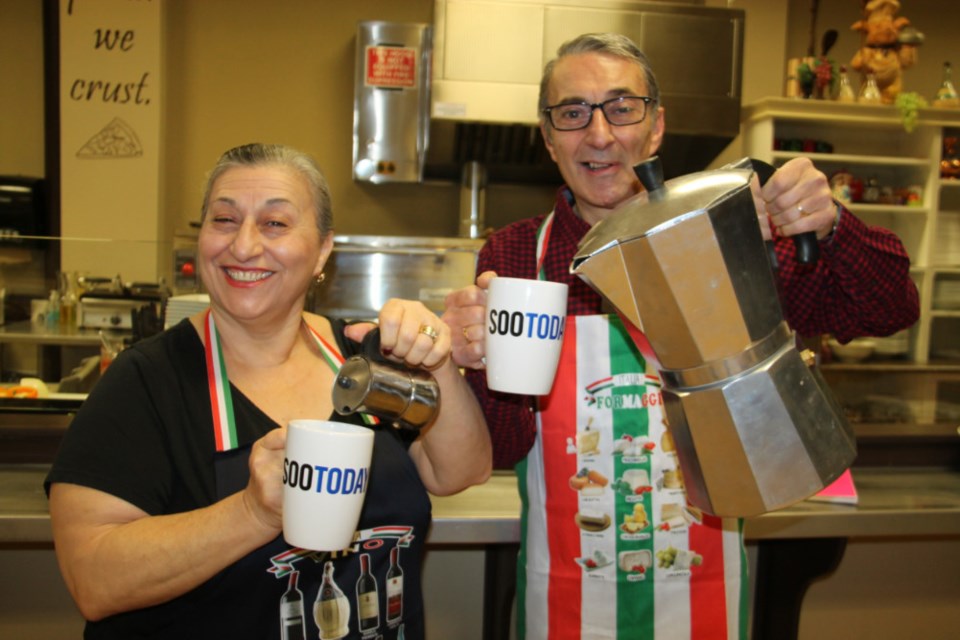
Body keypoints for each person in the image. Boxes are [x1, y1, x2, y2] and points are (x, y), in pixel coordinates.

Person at [442, 33, 919, 640]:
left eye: (622, 107)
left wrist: (831, 225)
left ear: (657, 126)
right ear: (547, 136)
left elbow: (888, 308)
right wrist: (474, 365)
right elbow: (503, 446)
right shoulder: (514, 256)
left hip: (706, 599)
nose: (598, 134)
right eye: (572, 112)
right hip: (566, 599)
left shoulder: (727, 232)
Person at [45, 143, 492, 639]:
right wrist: (250, 513)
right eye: (224, 220)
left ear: (323, 248)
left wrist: (439, 364)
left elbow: (459, 470)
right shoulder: (146, 381)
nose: (243, 246)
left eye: (275, 223)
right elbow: (93, 579)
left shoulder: (363, 357)